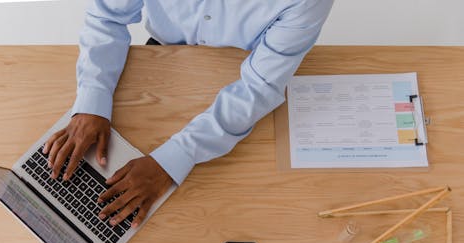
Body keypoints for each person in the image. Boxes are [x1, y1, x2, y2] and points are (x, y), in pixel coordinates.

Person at [43, 0, 334, 229]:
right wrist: (92, 102)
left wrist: (172, 160)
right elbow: (106, 17)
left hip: (243, 64)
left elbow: (259, 87)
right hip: (161, 61)